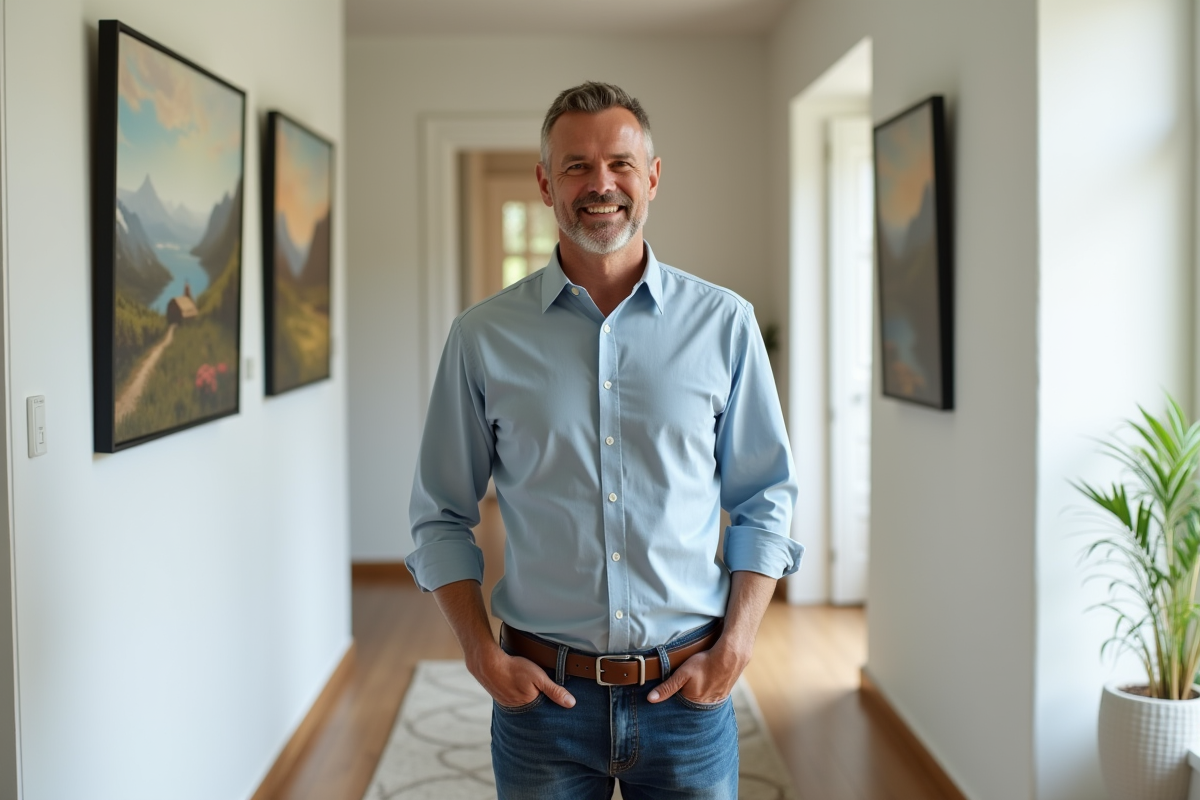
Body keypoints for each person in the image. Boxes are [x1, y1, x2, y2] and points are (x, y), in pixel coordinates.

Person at [406, 81, 803, 800]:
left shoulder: (726, 325)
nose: (601, 185)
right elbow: (439, 511)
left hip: (688, 697)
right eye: (576, 166)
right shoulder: (483, 338)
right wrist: (478, 653)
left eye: (620, 163)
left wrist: (738, 643)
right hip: (541, 705)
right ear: (544, 183)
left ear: (652, 177)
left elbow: (766, 497)